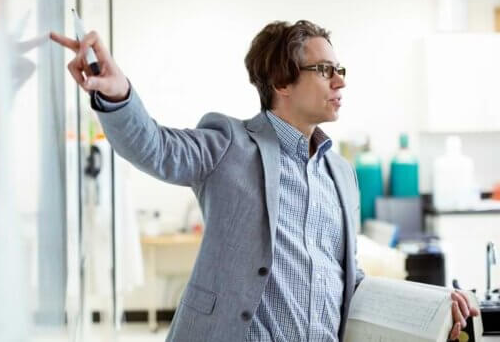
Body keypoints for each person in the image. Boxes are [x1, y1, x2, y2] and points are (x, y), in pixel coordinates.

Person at [50, 20, 478, 342]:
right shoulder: (229, 144)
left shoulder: (341, 173)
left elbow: (349, 279)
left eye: (339, 68)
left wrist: (434, 302)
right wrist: (117, 93)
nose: (340, 80)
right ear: (281, 82)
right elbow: (156, 148)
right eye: (325, 69)